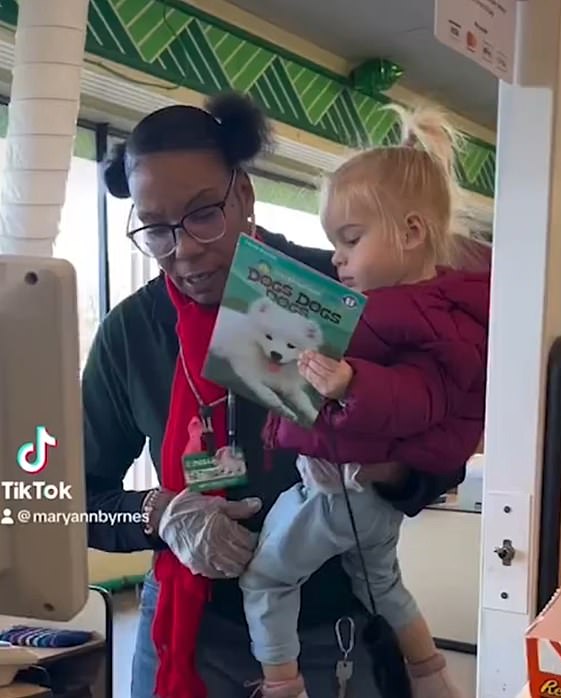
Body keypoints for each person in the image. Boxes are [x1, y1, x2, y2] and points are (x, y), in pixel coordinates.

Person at [86, 91, 478, 698]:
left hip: (329, 631)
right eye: (156, 229)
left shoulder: (342, 288)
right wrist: (158, 513)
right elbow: (64, 499)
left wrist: (382, 470)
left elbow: (447, 437)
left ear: (243, 193)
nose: (183, 248)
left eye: (202, 214)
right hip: (187, 632)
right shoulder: (132, 334)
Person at [240, 107, 489, 698]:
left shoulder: (407, 313)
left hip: (337, 490)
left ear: (409, 233)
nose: (336, 258)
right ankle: (431, 675)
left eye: (350, 241)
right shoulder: (431, 308)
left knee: (267, 580)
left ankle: (281, 686)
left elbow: (423, 397)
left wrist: (353, 385)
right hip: (368, 500)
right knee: (381, 584)